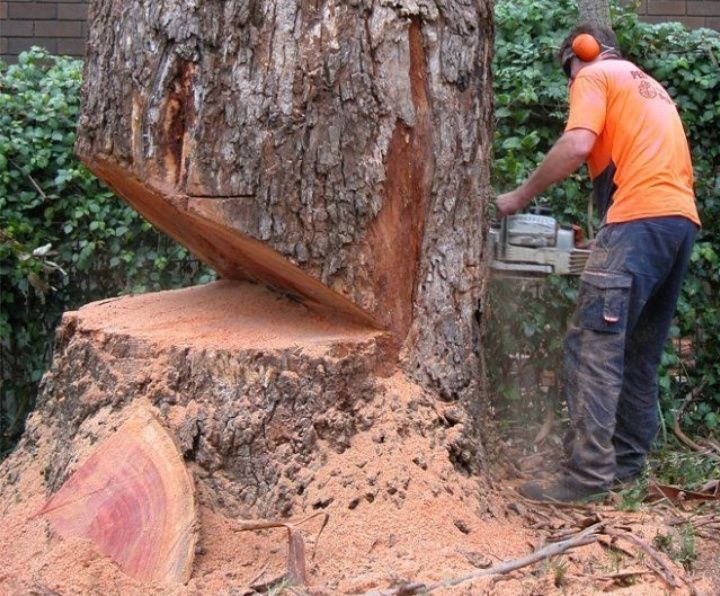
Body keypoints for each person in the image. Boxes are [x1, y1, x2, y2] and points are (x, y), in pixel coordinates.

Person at [496, 23, 701, 503]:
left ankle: (587, 476)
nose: (571, 83)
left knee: (592, 347)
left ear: (580, 52)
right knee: (638, 353)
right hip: (678, 226)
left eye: (569, 71)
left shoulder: (594, 75)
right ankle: (626, 466)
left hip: (638, 219)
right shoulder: (647, 85)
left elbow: (578, 145)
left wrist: (518, 197)